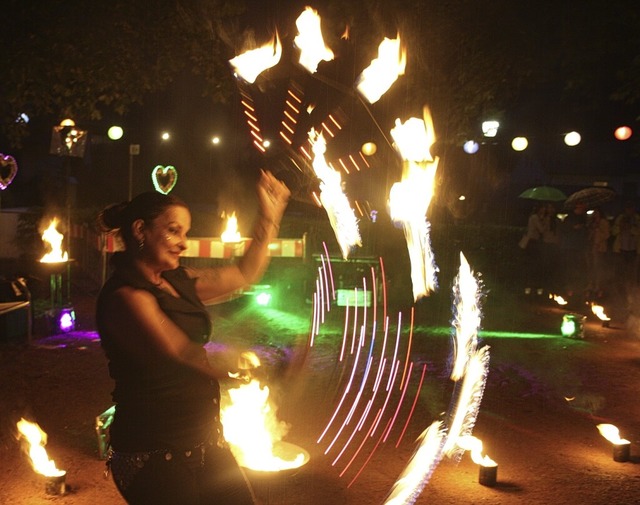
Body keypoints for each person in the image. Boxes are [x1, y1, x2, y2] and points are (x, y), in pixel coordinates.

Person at [96, 170, 290, 505]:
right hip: (152, 453)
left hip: (204, 441)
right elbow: (183, 353)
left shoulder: (179, 278)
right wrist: (243, 363)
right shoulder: (125, 296)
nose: (184, 242)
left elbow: (244, 273)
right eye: (173, 231)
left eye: (185, 232)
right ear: (141, 230)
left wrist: (270, 216)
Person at [611, 200, 640, 294]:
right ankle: (621, 291)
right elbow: (614, 232)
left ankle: (632, 290)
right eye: (627, 209)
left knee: (632, 272)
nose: (629, 211)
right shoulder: (620, 218)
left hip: (634, 249)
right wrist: (621, 227)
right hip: (621, 249)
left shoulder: (637, 219)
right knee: (621, 271)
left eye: (631, 209)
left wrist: (631, 228)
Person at [587, 207, 610, 297]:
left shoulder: (603, 222)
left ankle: (598, 285)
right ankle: (590, 284)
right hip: (591, 247)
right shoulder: (591, 223)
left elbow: (606, 234)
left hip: (599, 247)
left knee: (598, 267)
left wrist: (598, 231)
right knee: (590, 266)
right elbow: (588, 235)